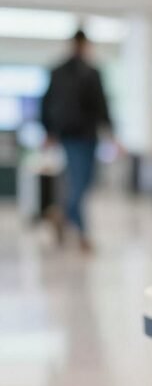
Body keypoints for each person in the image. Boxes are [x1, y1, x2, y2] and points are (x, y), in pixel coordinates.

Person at [41, 29, 113, 252]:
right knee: (80, 184)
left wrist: (49, 131)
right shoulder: (87, 72)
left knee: (81, 182)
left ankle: (62, 215)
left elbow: (46, 103)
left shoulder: (64, 72)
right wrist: (49, 131)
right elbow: (101, 104)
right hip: (80, 136)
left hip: (76, 135)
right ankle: (81, 233)